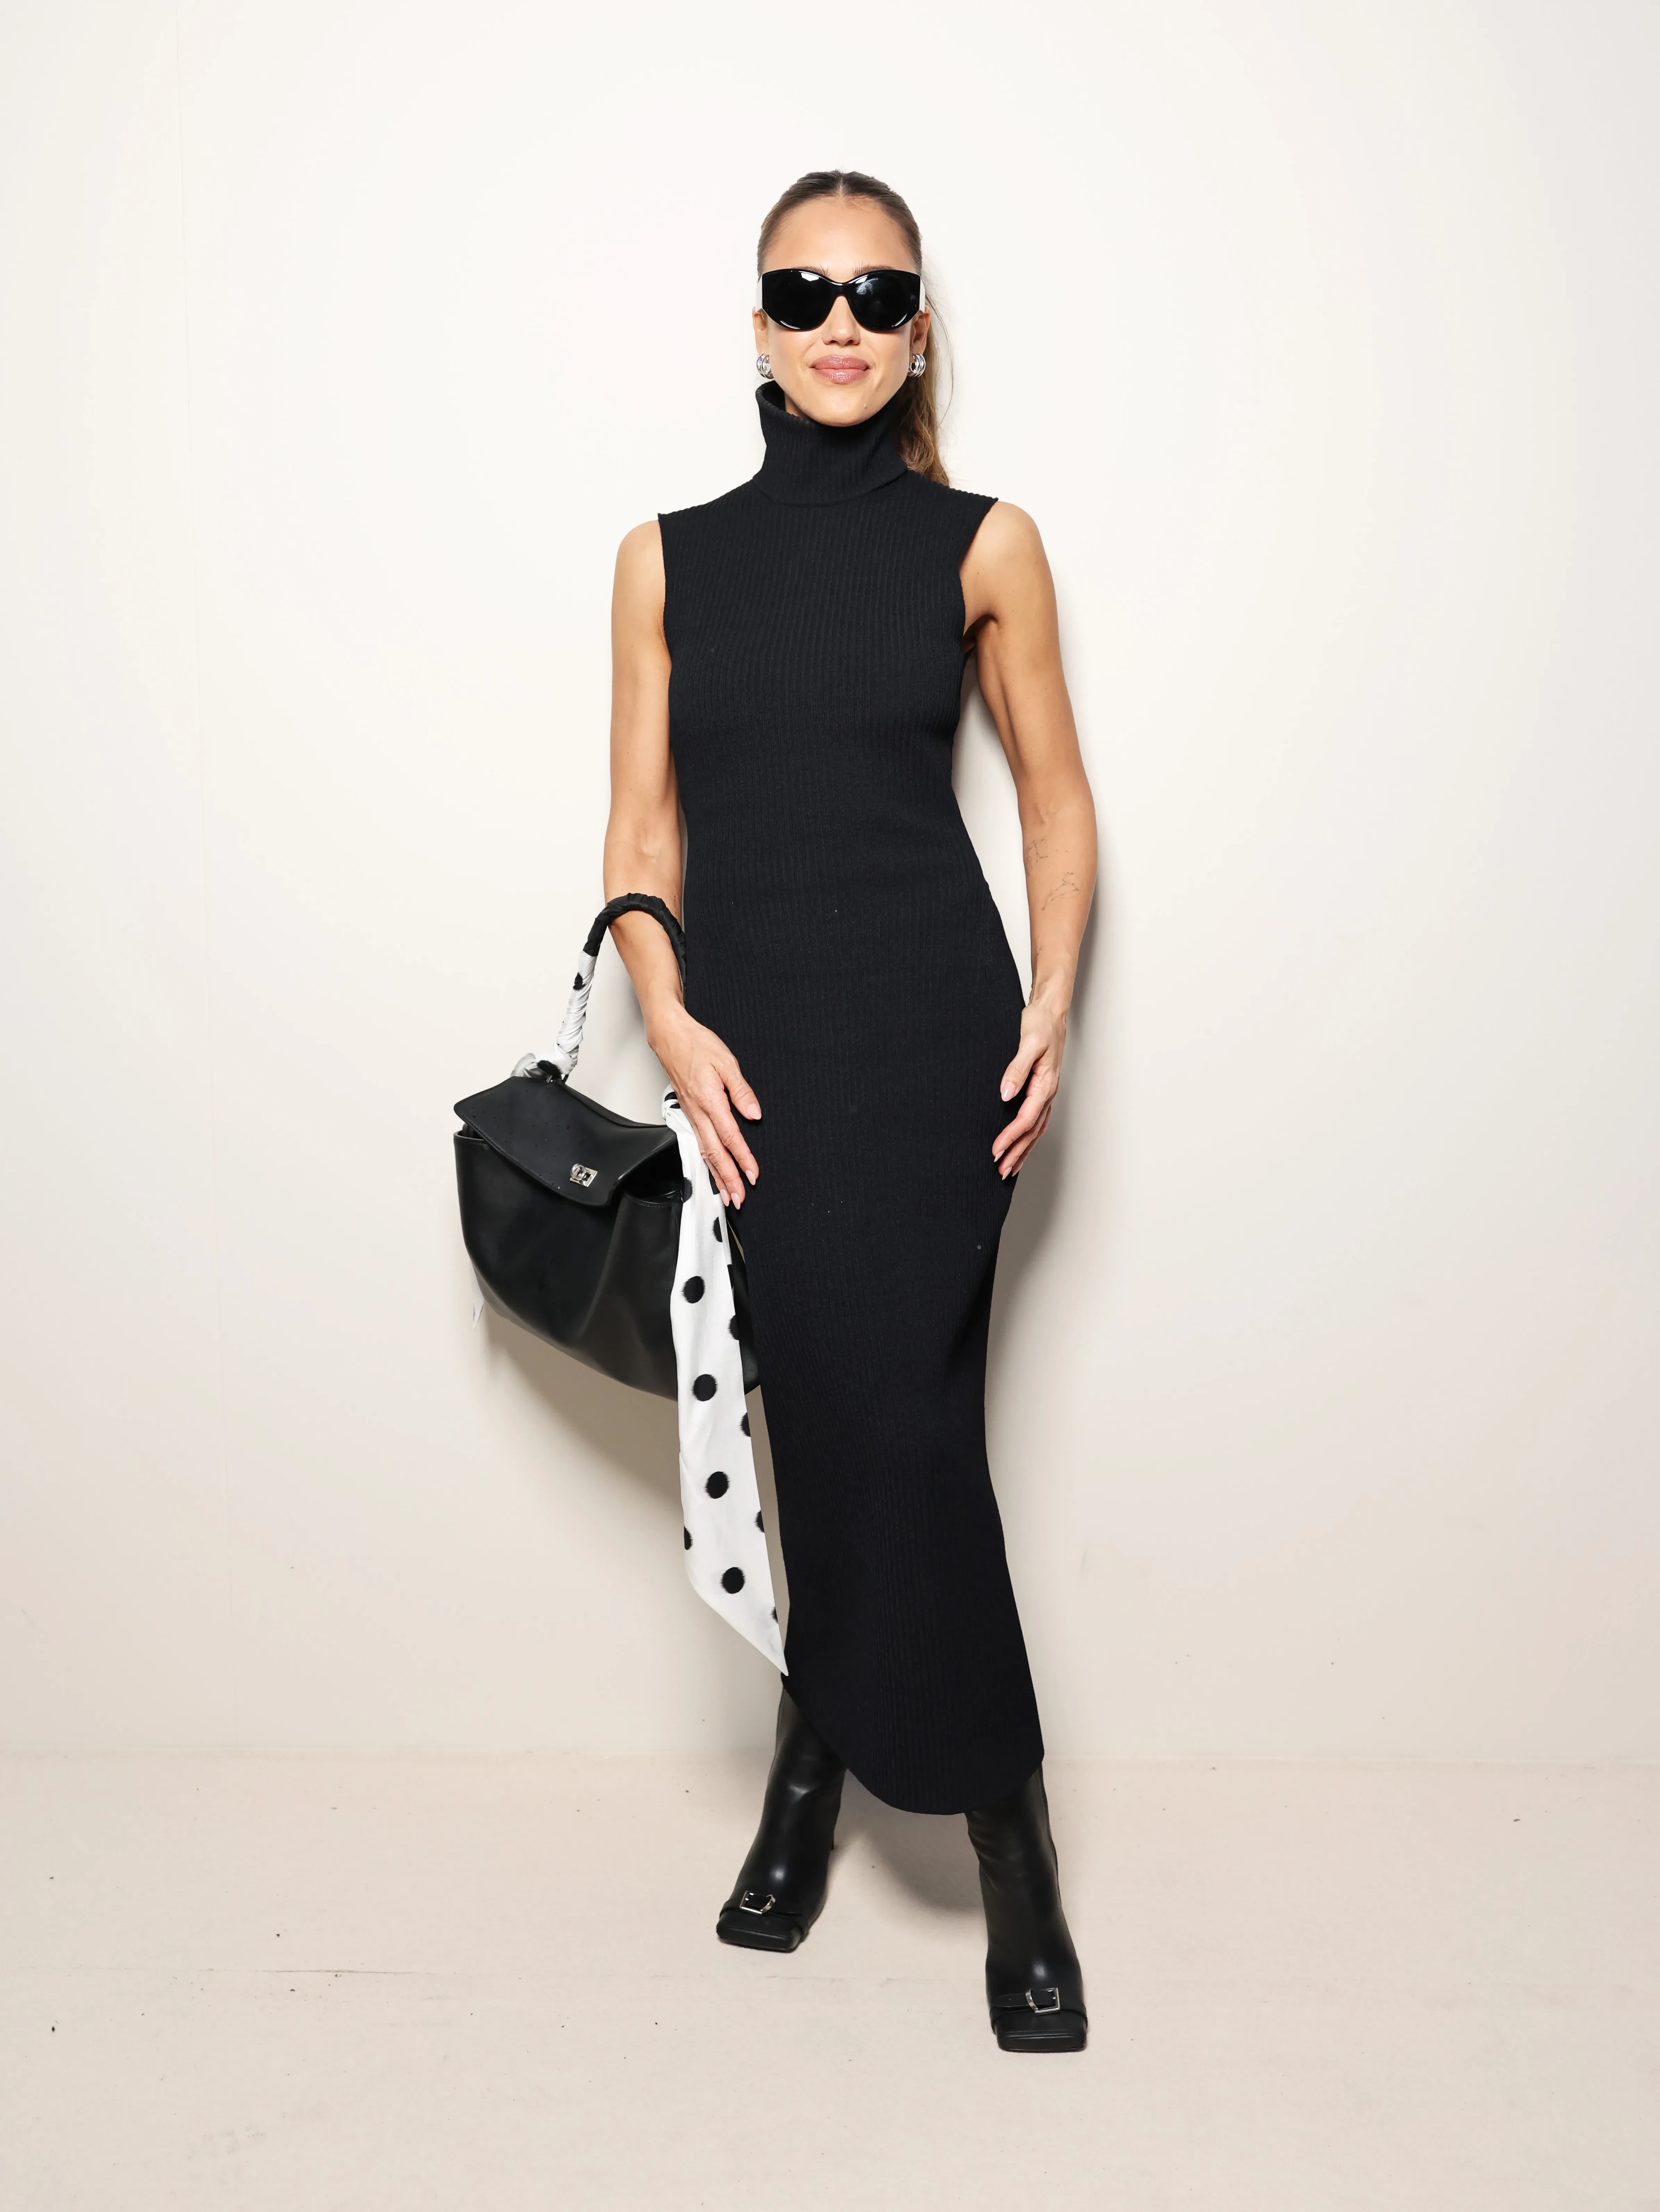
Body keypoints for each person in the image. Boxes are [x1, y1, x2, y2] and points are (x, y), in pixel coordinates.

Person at [602, 168, 1098, 2053]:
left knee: (909, 1427)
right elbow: (640, 829)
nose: (838, 323)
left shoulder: (985, 543)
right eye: (803, 293)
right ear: (757, 327)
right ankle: (814, 1776)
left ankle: (1008, 1846)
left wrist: (1053, 996)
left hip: (933, 1040)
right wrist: (669, 1017)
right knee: (824, 1418)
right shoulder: (664, 559)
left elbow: (1054, 795)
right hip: (753, 1056)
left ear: (914, 333)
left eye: (875, 295)